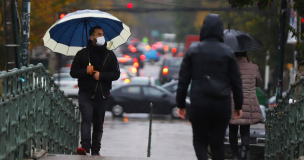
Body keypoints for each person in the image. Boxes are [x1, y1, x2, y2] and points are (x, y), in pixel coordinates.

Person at [176, 14, 244, 160]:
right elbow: (236, 81)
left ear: (203, 29)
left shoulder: (193, 50)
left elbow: (183, 80)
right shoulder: (228, 52)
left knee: (199, 140)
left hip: (199, 102)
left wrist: (180, 104)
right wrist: (238, 105)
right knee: (217, 143)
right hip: (222, 104)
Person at [70, 26, 120, 156]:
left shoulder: (110, 55)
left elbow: (116, 74)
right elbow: (73, 72)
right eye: (98, 34)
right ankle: (85, 145)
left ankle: (96, 149)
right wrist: (85, 71)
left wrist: (101, 76)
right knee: (86, 119)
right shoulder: (82, 54)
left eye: (102, 34)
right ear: (92, 37)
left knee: (98, 125)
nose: (101, 37)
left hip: (102, 95)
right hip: (86, 93)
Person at [229, 52, 263, 160]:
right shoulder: (253, 67)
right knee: (245, 129)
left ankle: (235, 154)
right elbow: (259, 83)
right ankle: (244, 150)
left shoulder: (230, 66)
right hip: (248, 102)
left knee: (232, 130)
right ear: (246, 55)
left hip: (233, 102)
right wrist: (252, 66)